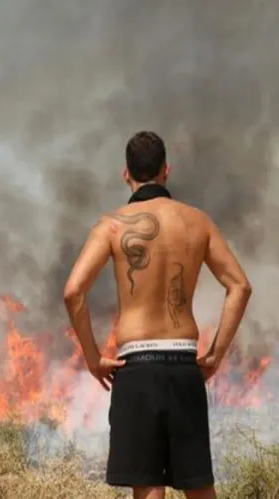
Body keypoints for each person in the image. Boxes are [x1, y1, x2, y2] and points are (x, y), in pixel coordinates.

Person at [62, 131, 252, 499]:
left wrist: (93, 359)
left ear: (125, 173)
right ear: (166, 170)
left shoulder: (112, 225)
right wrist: (213, 356)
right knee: (199, 487)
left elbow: (73, 292)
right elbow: (239, 287)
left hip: (137, 368)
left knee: (148, 489)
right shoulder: (198, 222)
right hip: (184, 366)